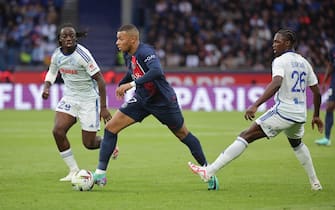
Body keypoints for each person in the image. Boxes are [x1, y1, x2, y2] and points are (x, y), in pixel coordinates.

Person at [188, 29, 324, 191]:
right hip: (300, 114)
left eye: (277, 41)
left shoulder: (280, 61)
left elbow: (276, 83)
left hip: (284, 111)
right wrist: (315, 115)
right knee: (297, 144)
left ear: (287, 43)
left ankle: (209, 171)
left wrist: (255, 104)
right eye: (273, 41)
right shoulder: (304, 62)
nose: (274, 45)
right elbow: (316, 91)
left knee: (245, 136)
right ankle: (315, 183)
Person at [93, 24, 219, 190]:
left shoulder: (146, 52)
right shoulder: (127, 54)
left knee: (183, 134)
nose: (117, 42)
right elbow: (133, 71)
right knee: (110, 128)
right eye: (117, 38)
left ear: (133, 39)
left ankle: (208, 171)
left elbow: (156, 71)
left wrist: (130, 85)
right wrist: (123, 83)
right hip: (142, 99)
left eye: (121, 38)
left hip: (163, 101)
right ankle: (100, 174)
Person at [41, 23, 118, 181]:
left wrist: (103, 108)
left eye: (71, 36)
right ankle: (73, 170)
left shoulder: (82, 55)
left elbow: (101, 81)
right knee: (57, 131)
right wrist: (47, 87)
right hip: (70, 97)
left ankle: (108, 143)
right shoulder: (57, 55)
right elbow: (52, 72)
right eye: (65, 36)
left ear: (75, 38)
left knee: (89, 144)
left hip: (88, 99)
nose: (68, 39)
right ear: (60, 39)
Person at [315, 44, 335, 146]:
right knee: (329, 107)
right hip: (334, 82)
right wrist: (324, 81)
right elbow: (331, 65)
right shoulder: (332, 49)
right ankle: (327, 138)